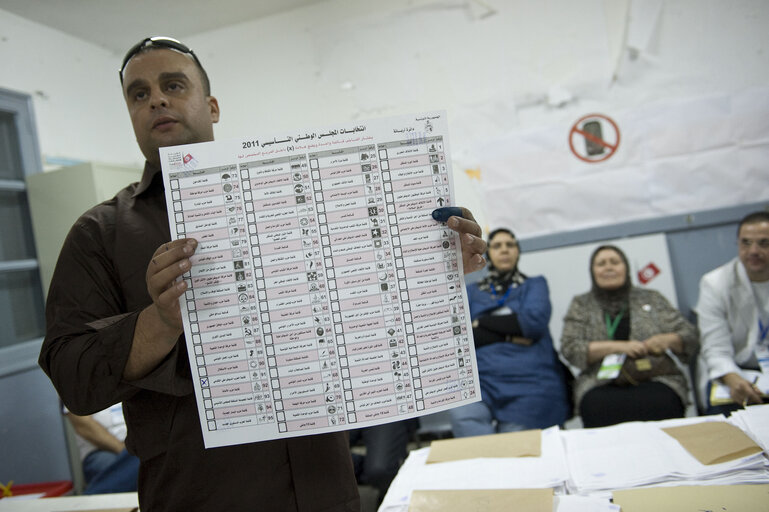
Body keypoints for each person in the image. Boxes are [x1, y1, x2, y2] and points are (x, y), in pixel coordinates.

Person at [38, 37, 487, 511]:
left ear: (211, 106)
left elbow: (363, 309)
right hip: (197, 495)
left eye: (172, 85)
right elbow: (74, 376)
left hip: (325, 487)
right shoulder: (101, 232)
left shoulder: (304, 194)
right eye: (139, 94)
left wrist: (430, 266)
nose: (157, 100)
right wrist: (161, 321)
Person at [449, 228, 571, 437]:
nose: (504, 250)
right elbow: (461, 335)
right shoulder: (471, 292)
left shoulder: (534, 285)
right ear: (488, 254)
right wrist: (511, 332)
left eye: (510, 245)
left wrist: (480, 323)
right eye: (497, 246)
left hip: (529, 381)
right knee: (466, 424)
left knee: (515, 445)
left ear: (517, 251)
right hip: (481, 381)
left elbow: (532, 323)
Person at [561, 245, 698, 428]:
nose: (608, 267)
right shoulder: (581, 304)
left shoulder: (651, 298)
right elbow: (570, 348)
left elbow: (689, 335)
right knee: (596, 406)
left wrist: (666, 340)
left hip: (655, 377)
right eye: (601, 264)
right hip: (600, 383)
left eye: (615, 262)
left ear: (626, 268)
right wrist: (619, 347)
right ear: (593, 272)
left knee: (663, 401)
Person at [696, 211, 769, 415]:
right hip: (734, 369)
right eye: (746, 243)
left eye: (764, 243)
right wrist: (732, 378)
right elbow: (715, 349)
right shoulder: (715, 284)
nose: (753, 251)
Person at [64, 403, 140, 494]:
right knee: (143, 462)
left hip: (136, 446)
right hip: (101, 451)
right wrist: (126, 451)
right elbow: (83, 426)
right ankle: (92, 497)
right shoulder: (74, 390)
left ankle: (88, 500)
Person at [348, 419, 417, 504]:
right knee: (329, 465)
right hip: (332, 414)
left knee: (380, 469)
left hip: (380, 412)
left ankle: (388, 495)